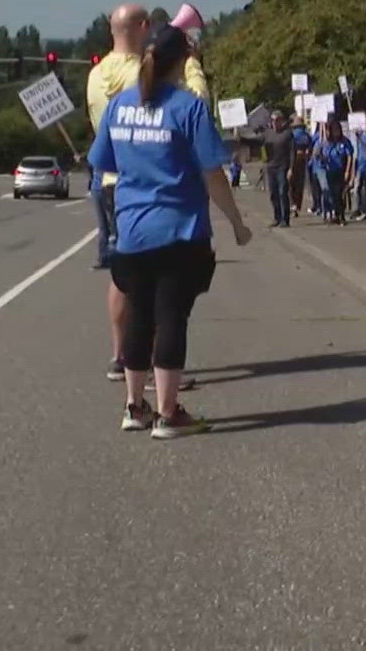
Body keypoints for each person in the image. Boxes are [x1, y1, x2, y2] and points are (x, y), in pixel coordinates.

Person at [92, 23, 252, 438]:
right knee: (172, 317)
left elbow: (104, 162)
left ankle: (134, 406)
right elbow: (212, 172)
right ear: (183, 61)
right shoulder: (188, 107)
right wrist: (236, 221)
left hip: (132, 230)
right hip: (179, 231)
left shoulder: (119, 105)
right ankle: (168, 413)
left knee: (140, 317)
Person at [88, 2, 209, 381]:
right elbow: (196, 105)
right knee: (161, 287)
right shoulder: (140, 73)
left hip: (112, 183)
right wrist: (189, 61)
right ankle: (159, 368)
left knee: (125, 276)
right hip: (151, 185)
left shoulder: (96, 73)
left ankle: (120, 356)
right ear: (142, 27)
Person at [259, 110, 294, 228]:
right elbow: (255, 141)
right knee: (273, 193)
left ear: (281, 121)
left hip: (282, 167)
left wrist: (291, 168)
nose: (274, 122)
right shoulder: (267, 134)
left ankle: (285, 219)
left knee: (282, 192)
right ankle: (277, 217)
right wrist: (240, 137)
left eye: (277, 120)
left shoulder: (287, 134)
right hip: (271, 167)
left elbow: (292, 152)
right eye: (272, 120)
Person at [316, 119, 353, 225]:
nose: (336, 132)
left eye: (337, 130)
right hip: (330, 170)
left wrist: (348, 171)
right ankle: (335, 214)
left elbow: (349, 155)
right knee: (332, 194)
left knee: (340, 194)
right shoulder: (327, 143)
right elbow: (322, 156)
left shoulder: (344, 141)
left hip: (341, 170)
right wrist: (321, 156)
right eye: (333, 130)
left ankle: (341, 215)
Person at [289, 115, 313, 217]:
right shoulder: (306, 135)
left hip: (297, 161)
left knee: (293, 185)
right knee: (298, 185)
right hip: (300, 161)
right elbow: (310, 147)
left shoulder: (294, 135)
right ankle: (295, 205)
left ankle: (293, 205)